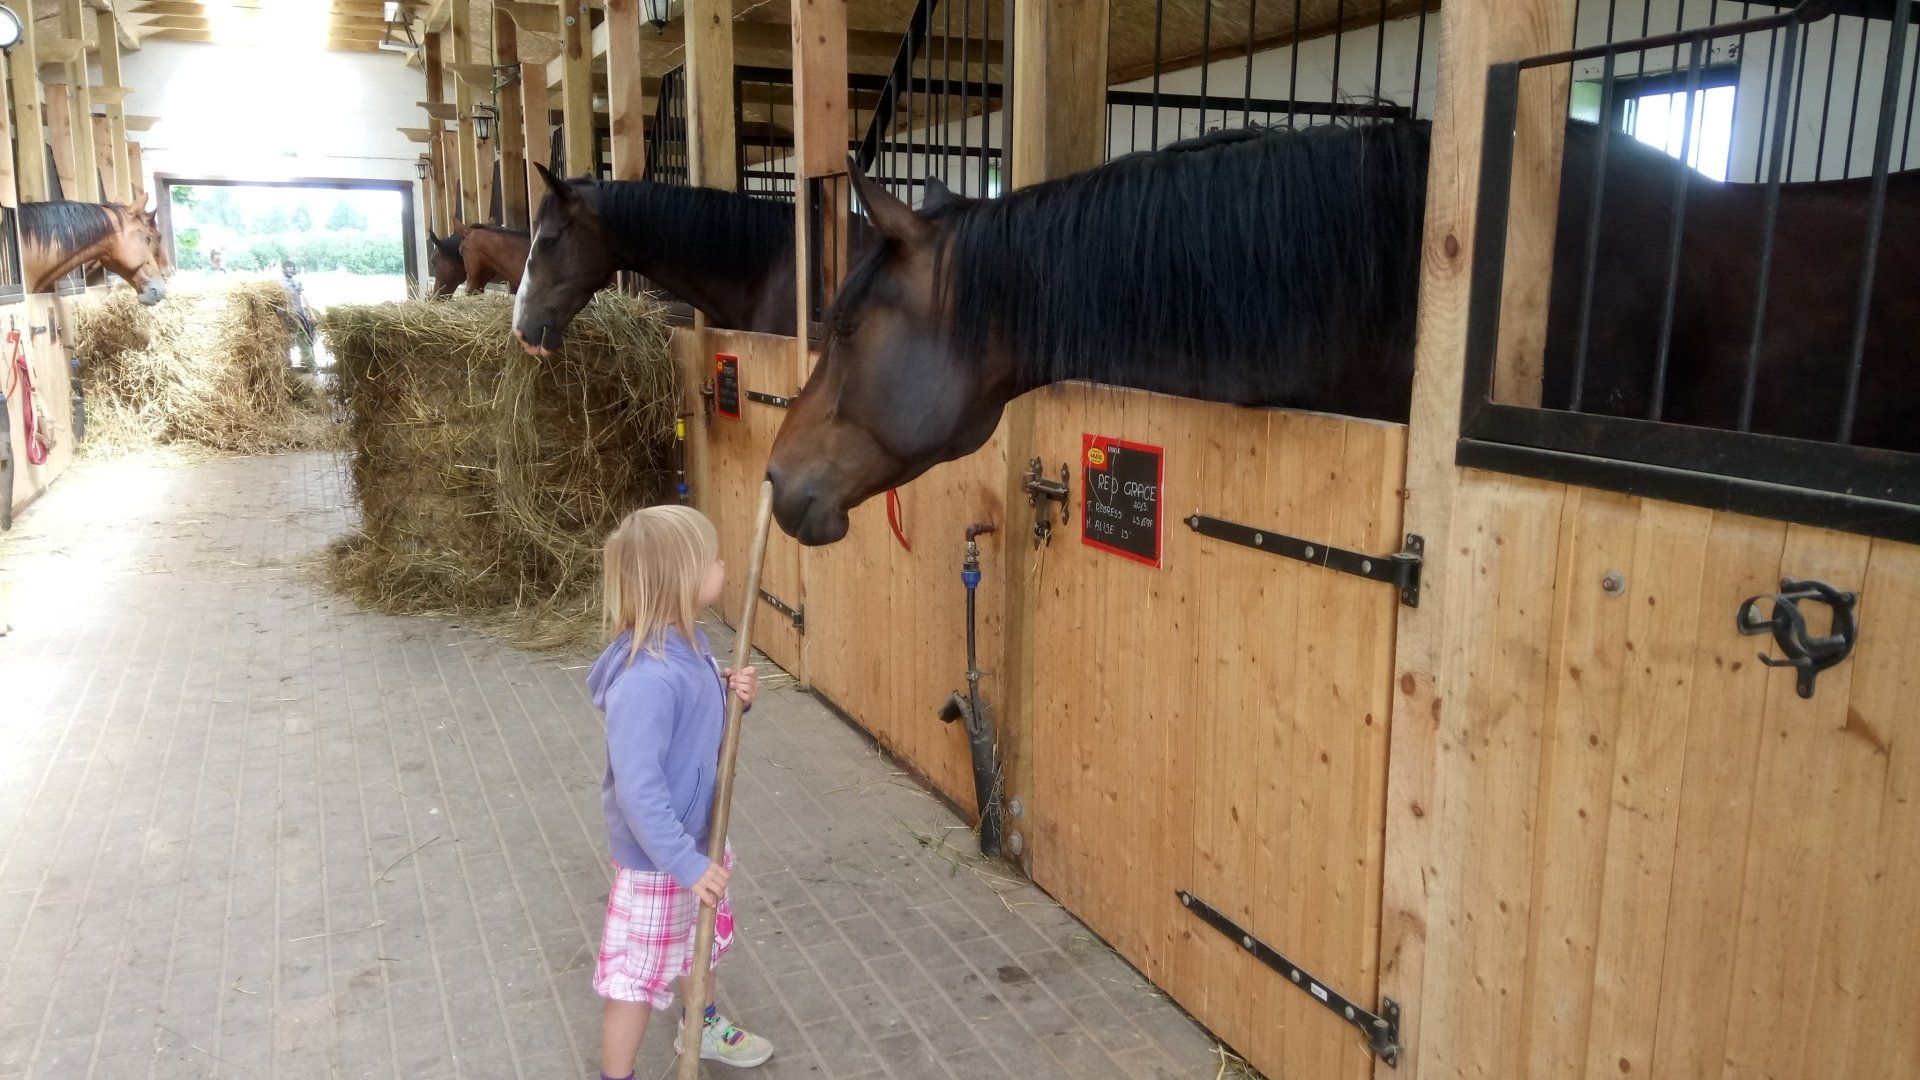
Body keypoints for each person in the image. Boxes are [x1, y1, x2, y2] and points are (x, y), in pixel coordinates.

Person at [589, 505, 774, 1077]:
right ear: (681, 581)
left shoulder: (690, 649)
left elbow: (695, 715)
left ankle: (703, 1023)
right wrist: (682, 864)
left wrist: (730, 692)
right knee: (635, 980)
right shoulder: (645, 681)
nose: (724, 564)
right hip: (659, 859)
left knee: (701, 941)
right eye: (712, 559)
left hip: (696, 841)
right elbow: (637, 793)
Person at [280, 259, 316, 370]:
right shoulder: (282, 283)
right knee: (300, 340)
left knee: (299, 339)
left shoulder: (293, 282)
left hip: (292, 315)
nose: (290, 269)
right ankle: (310, 367)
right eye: (288, 267)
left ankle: (304, 365)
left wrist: (311, 314)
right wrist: (311, 314)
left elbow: (304, 297)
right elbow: (304, 298)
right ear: (284, 268)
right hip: (289, 315)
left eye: (291, 267)